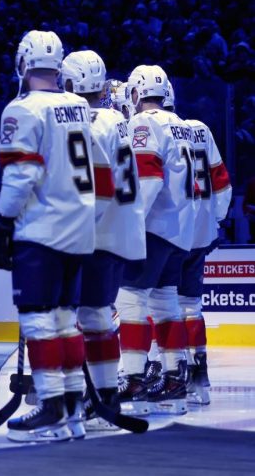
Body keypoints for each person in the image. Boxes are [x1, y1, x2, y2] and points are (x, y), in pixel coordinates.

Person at [0, 31, 95, 443]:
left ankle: (51, 407)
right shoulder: (80, 106)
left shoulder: (23, 109)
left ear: (23, 64)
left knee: (39, 319)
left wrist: (0, 221)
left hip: (42, 227)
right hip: (78, 227)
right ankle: (72, 409)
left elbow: (22, 173)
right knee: (67, 320)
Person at [61, 50, 143, 433]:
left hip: (95, 230)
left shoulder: (88, 122)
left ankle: (92, 397)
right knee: (99, 315)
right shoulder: (119, 119)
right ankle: (105, 395)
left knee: (84, 316)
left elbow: (92, 183)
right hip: (121, 227)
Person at [115, 65, 197, 417]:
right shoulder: (184, 125)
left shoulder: (144, 123)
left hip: (152, 226)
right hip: (179, 228)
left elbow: (147, 178)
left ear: (136, 93)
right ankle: (175, 379)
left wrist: (128, 225)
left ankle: (133, 379)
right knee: (167, 304)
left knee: (131, 302)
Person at [166, 82, 232, 405]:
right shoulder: (200, 129)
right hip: (201, 230)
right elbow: (221, 179)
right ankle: (199, 378)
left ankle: (170, 376)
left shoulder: (157, 129)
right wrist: (214, 220)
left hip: (171, 232)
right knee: (191, 306)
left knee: (158, 306)